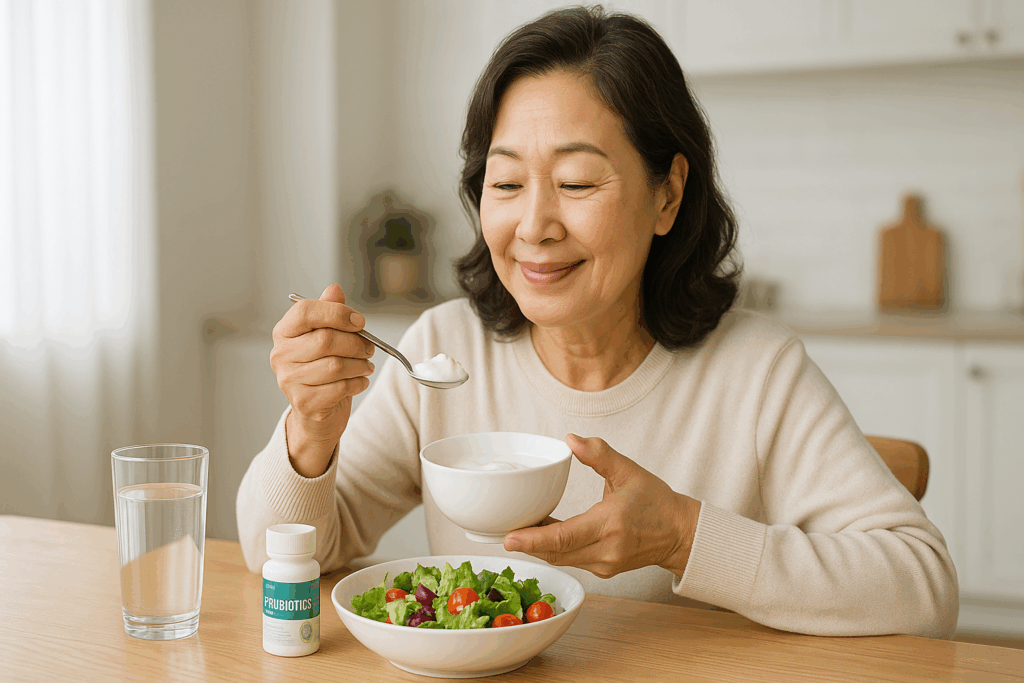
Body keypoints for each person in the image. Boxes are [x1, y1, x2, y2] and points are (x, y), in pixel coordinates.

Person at [237, 6, 958, 638]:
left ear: (667, 196)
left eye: (577, 183)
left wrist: (682, 536)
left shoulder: (755, 371)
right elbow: (276, 553)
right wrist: (310, 435)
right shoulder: (440, 352)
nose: (535, 225)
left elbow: (923, 586)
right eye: (508, 182)